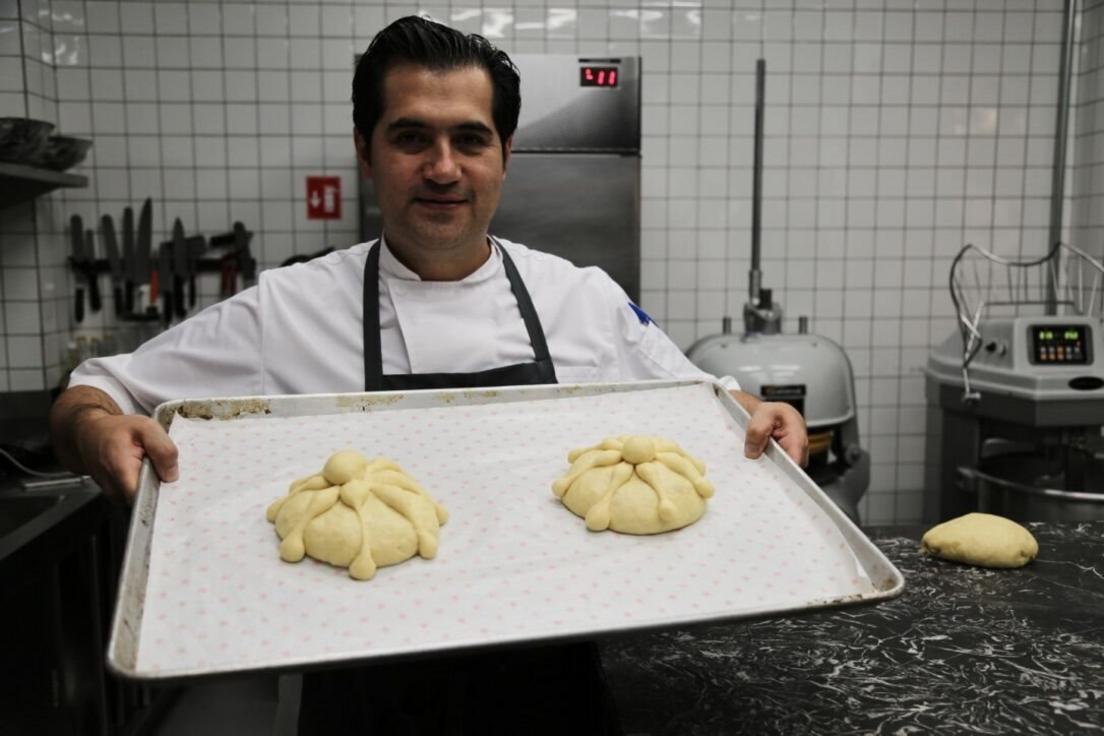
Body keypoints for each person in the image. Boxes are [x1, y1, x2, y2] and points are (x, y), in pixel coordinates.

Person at [50, 14, 807, 734]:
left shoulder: (582, 299)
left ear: (505, 153)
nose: (443, 167)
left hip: (552, 691)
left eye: (469, 139)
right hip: (359, 700)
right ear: (366, 149)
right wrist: (96, 428)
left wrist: (756, 411)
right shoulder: (287, 307)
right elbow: (98, 388)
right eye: (412, 137)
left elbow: (699, 404)